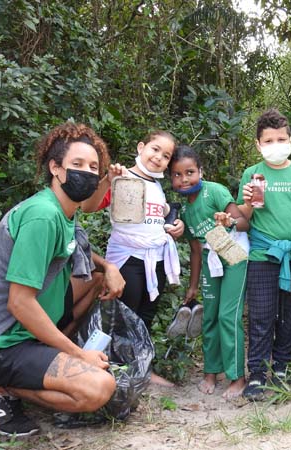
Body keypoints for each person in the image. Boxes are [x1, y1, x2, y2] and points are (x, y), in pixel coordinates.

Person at [0, 122, 126, 437]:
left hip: (23, 329)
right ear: (56, 168)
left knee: (96, 278)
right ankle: (0, 389)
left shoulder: (64, 211)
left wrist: (109, 267)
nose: (86, 173)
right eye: (77, 165)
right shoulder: (43, 217)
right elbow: (19, 303)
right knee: (99, 388)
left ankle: (50, 358)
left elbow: (87, 209)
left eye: (93, 168)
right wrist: (79, 356)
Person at [81, 130, 188, 387]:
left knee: (145, 316)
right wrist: (107, 180)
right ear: (141, 146)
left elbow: (159, 220)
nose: (158, 158)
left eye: (166, 156)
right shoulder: (121, 177)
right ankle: (116, 373)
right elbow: (88, 207)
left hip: (156, 259)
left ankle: (143, 371)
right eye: (154, 149)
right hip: (126, 258)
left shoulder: (157, 186)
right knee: (124, 316)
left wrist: (177, 227)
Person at [236, 109, 291, 401]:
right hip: (263, 253)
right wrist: (249, 203)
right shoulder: (251, 173)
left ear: (290, 140)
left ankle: (281, 368)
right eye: (269, 140)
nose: (276, 144)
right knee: (261, 315)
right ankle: (256, 374)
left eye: (281, 139)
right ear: (258, 144)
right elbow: (243, 218)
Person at [169, 145, 250, 399]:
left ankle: (237, 376)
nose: (184, 179)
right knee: (210, 316)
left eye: (190, 172)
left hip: (233, 252)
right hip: (209, 257)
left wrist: (229, 221)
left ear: (200, 171)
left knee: (228, 315)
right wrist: (193, 286)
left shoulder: (214, 191)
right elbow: (195, 250)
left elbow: (245, 223)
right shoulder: (185, 210)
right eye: (177, 175)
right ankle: (211, 372)